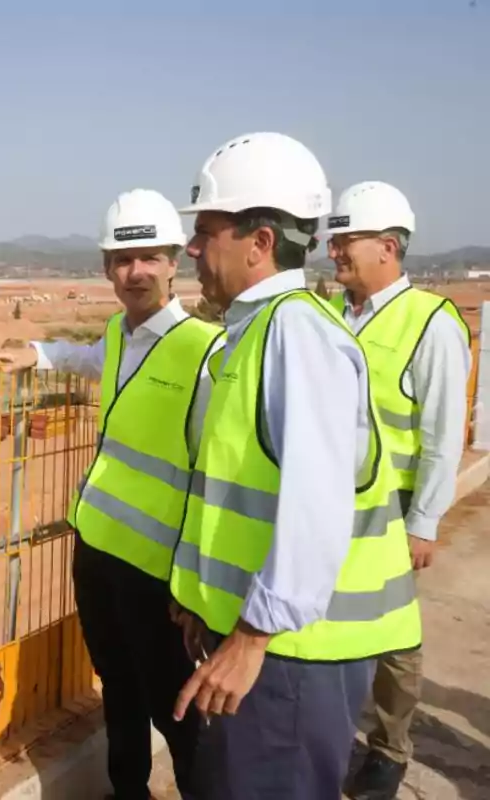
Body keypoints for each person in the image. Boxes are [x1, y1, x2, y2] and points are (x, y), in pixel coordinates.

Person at [166, 132, 422, 800]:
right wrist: (202, 599)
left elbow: (316, 504)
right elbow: (239, 490)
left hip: (290, 656)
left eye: (207, 231)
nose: (192, 248)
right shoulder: (254, 330)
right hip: (264, 641)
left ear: (258, 241)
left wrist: (249, 638)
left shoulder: (296, 334)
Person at [0, 188, 222, 800]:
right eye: (122, 259)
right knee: (116, 683)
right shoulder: (120, 332)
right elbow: (91, 359)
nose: (134, 271)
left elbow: (212, 477)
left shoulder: (205, 352)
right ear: (105, 268)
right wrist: (36, 354)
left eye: (148, 257)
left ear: (175, 261)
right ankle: (128, 791)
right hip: (96, 546)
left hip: (158, 570)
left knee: (176, 701)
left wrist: (192, 581)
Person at [326, 181, 472, 800]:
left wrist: (424, 522)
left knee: (391, 638)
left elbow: (442, 436)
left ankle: (388, 749)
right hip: (327, 508)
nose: (334, 250)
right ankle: (331, 736)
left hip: (388, 516)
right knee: (328, 630)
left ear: (388, 247)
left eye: (346, 239)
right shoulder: (332, 315)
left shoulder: (431, 323)